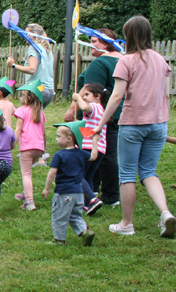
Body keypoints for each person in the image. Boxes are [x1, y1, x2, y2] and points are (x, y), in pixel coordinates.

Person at [92, 15, 175, 238]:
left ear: (128, 36)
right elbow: (166, 94)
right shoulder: (160, 60)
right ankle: (165, 213)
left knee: (127, 174)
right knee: (148, 171)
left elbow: (117, 96)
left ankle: (126, 224)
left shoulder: (126, 61)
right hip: (159, 124)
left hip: (133, 125)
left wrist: (100, 124)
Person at [64, 27, 123, 207]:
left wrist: (71, 109)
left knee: (93, 153)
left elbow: (88, 88)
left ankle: (106, 195)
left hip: (97, 117)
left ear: (106, 43)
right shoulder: (125, 60)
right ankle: (98, 191)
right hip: (119, 114)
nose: (91, 44)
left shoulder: (100, 63)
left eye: (95, 41)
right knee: (106, 153)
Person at [42, 121, 98, 246]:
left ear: (69, 139)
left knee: (59, 216)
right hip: (79, 192)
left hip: (64, 192)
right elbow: (94, 156)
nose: (56, 139)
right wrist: (94, 141)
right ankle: (85, 232)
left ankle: (59, 240)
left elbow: (52, 173)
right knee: (75, 215)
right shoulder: (80, 153)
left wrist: (46, 188)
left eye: (58, 136)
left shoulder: (59, 155)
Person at [72, 84, 110, 216]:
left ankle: (92, 200)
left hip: (88, 147)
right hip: (100, 149)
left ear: (97, 96)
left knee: (78, 175)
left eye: (87, 95)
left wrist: (77, 97)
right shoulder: (103, 110)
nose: (85, 97)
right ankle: (88, 202)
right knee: (88, 176)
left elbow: (84, 107)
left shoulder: (93, 107)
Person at [13, 79, 47, 211]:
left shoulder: (22, 110)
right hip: (39, 148)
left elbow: (18, 129)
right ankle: (24, 194)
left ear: (28, 97)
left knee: (26, 173)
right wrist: (44, 148)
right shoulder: (39, 112)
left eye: (22, 95)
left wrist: (13, 142)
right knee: (28, 171)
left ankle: (30, 201)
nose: (20, 97)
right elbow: (43, 132)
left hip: (27, 147)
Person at [7, 23, 55, 108]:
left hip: (38, 90)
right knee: (37, 118)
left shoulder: (34, 48)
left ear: (34, 34)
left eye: (27, 33)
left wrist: (13, 65)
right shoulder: (47, 50)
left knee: (29, 118)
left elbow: (32, 69)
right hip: (49, 91)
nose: (25, 35)